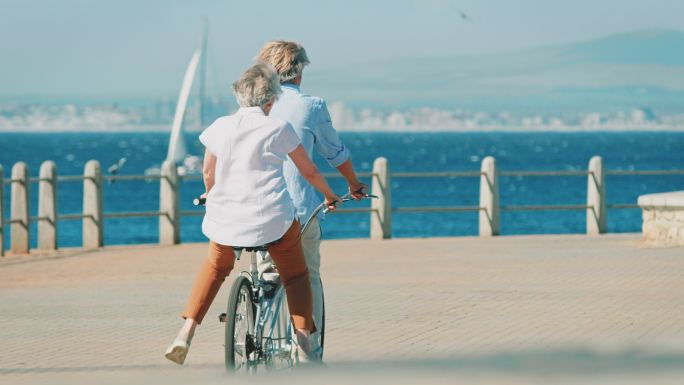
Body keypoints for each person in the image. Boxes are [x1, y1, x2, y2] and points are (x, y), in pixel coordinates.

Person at [164, 63, 341, 365]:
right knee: (296, 276)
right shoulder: (278, 127)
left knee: (215, 267)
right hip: (273, 218)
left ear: (239, 97)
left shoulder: (220, 126)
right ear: (271, 100)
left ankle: (186, 332)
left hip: (226, 219)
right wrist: (329, 195)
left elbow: (209, 171)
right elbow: (307, 169)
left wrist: (210, 193)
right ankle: (302, 344)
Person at [255, 41, 366, 359]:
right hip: (299, 211)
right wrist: (353, 184)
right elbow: (334, 152)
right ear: (300, 70)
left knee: (267, 272)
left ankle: (258, 327)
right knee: (307, 276)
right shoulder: (312, 106)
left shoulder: (253, 106)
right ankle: (309, 353)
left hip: (256, 209)